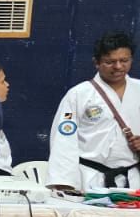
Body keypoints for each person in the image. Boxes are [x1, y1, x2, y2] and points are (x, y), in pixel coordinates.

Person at [47, 33, 139, 191]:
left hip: (133, 179)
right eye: (110, 62)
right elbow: (64, 140)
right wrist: (64, 182)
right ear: (96, 62)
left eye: (124, 60)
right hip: (90, 177)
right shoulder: (79, 94)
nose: (118, 66)